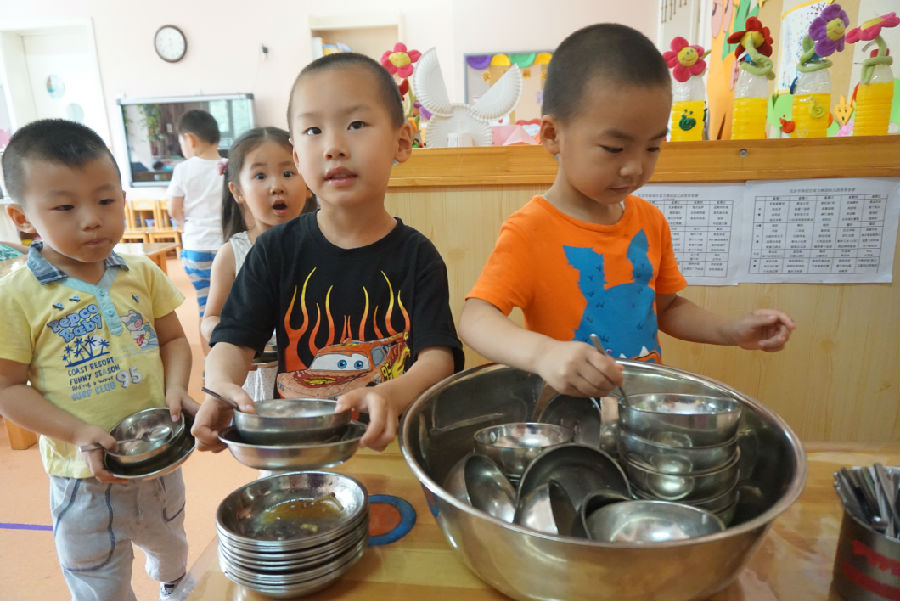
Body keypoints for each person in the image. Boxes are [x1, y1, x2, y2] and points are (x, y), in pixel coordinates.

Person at [458, 24, 796, 399]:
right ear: (552, 136)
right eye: (614, 148)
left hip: (641, 408)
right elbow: (476, 318)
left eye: (652, 148)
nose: (635, 167)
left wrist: (731, 330)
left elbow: (666, 308)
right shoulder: (530, 230)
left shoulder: (649, 222)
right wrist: (543, 353)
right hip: (566, 415)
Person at [192, 53, 464, 452]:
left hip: (388, 443)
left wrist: (392, 393)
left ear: (401, 141)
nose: (334, 147)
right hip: (301, 447)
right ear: (298, 157)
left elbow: (438, 357)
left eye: (355, 124)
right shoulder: (274, 251)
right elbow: (233, 341)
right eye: (314, 130)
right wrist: (218, 385)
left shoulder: (418, 256)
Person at [0, 119, 197, 601]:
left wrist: (176, 388)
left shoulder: (141, 271)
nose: (91, 219)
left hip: (157, 458)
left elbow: (173, 340)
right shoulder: (16, 295)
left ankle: (171, 583)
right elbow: (7, 389)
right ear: (23, 217)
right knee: (96, 577)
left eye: (106, 201)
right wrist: (77, 433)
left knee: (171, 544)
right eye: (65, 207)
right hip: (83, 476)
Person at [200, 127, 316, 401]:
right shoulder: (232, 253)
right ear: (237, 191)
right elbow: (211, 318)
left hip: (310, 370)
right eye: (260, 176)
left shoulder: (321, 245)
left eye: (289, 173)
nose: (276, 185)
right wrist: (230, 337)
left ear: (309, 181)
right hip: (254, 375)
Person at [166, 109, 223, 328]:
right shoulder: (229, 167)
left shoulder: (183, 169)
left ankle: (210, 361)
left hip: (196, 247)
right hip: (226, 248)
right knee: (231, 306)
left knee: (206, 310)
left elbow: (174, 209)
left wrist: (185, 224)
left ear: (190, 139)